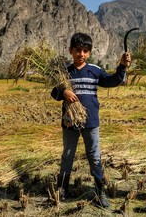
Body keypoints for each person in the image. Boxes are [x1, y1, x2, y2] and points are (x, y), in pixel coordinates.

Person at [51, 32, 131, 208]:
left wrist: (122, 66)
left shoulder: (94, 70)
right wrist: (64, 92)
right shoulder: (64, 72)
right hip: (69, 121)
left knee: (94, 156)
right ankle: (62, 188)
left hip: (91, 121)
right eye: (78, 50)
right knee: (67, 156)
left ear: (90, 52)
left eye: (85, 51)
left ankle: (100, 191)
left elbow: (112, 81)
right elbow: (54, 92)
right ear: (70, 50)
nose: (81, 54)